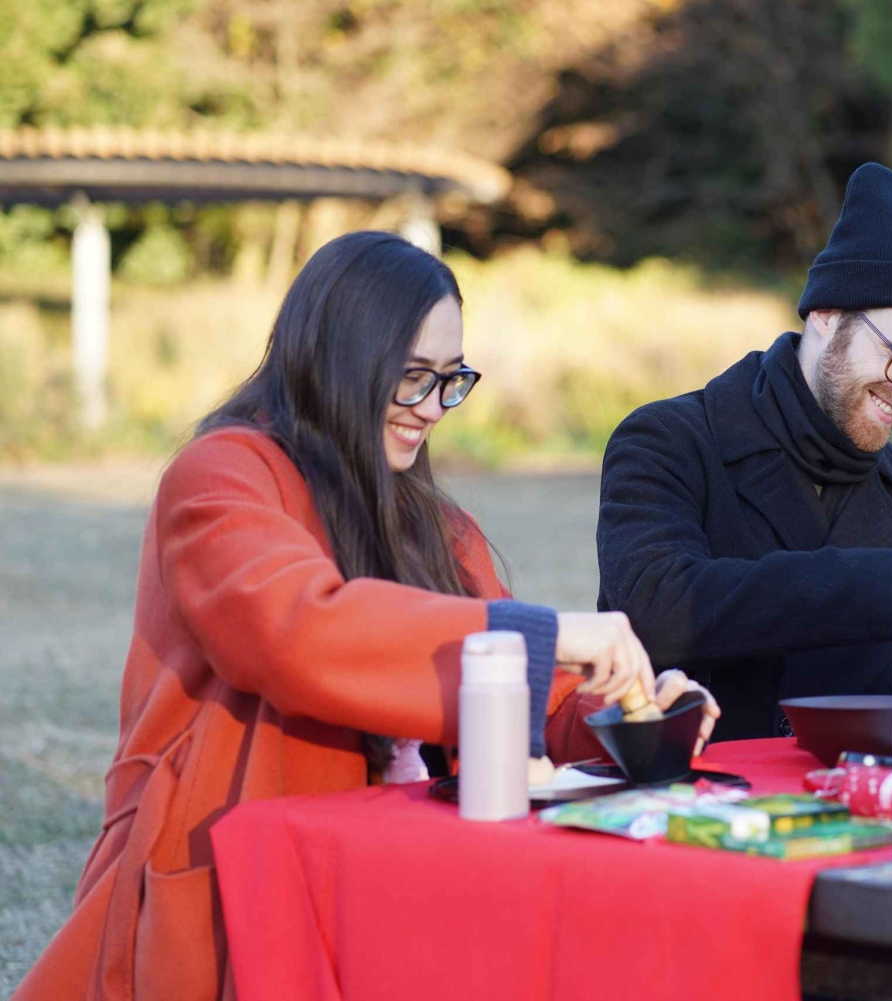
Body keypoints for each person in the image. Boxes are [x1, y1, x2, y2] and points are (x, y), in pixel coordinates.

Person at [16, 231, 715, 1001]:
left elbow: (539, 703)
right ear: (339, 357)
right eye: (412, 377)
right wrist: (541, 633)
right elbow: (296, 633)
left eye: (450, 379)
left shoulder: (437, 526)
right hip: (227, 891)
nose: (433, 408)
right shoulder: (220, 476)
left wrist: (635, 714)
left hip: (396, 889)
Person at [595, 163, 892, 741]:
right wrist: (883, 583)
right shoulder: (667, 440)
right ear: (826, 315)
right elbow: (657, 610)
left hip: (842, 797)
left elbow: (869, 688)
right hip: (685, 788)